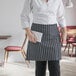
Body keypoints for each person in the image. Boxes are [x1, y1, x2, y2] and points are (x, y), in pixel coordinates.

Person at [21, 0, 67, 76]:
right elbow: (24, 15)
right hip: (37, 34)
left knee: (55, 66)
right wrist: (29, 33)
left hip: (53, 34)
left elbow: (61, 17)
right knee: (40, 66)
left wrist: (64, 32)